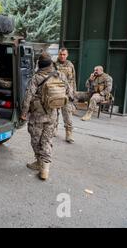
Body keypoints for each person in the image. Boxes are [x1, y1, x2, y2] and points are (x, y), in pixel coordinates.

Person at [20, 52, 70, 181]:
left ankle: (39, 162)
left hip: (37, 115)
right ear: (50, 63)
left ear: (39, 64)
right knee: (47, 140)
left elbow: (28, 97)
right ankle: (45, 169)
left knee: (36, 139)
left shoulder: (36, 77)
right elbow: (69, 93)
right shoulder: (60, 75)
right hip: (53, 114)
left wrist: (24, 113)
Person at [54, 48, 76, 143]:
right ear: (58, 54)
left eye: (64, 54)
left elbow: (73, 80)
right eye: (60, 54)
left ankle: (69, 133)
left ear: (67, 55)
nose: (62, 56)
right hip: (56, 92)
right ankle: (54, 129)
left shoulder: (70, 65)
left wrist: (73, 94)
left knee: (67, 114)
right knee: (54, 113)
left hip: (67, 94)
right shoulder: (53, 64)